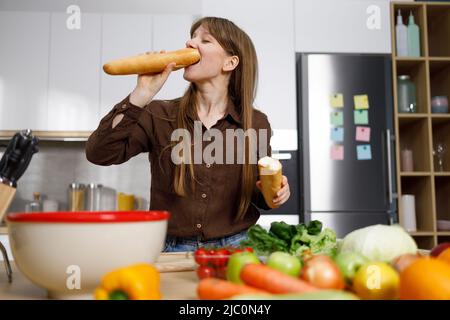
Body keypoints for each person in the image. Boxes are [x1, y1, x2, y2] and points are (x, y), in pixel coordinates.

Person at [85, 16, 290, 252]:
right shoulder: (158, 114)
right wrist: (142, 93)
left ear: (230, 63)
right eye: (192, 38)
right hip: (170, 248)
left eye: (205, 40)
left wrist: (275, 192)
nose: (190, 43)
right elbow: (99, 153)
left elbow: (258, 195)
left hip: (236, 247)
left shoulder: (256, 123)